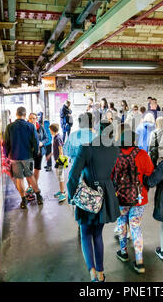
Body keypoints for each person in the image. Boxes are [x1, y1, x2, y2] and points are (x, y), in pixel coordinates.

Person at [67, 121, 120, 282]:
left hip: (88, 196)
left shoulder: (87, 148)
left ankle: (92, 271)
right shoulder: (115, 149)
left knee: (85, 233)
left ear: (97, 131)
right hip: (105, 195)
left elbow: (73, 176)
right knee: (98, 234)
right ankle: (101, 272)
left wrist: (71, 196)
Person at [112, 127, 154, 274]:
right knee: (135, 226)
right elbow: (150, 173)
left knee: (122, 223)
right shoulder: (142, 154)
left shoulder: (115, 154)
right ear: (134, 141)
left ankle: (123, 253)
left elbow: (111, 176)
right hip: (139, 198)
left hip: (120, 197)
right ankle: (140, 261)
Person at [4, 107, 43, 209]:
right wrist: (34, 154)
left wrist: (7, 155)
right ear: (25, 115)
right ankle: (38, 196)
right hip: (27, 156)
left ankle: (23, 200)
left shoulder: (9, 127)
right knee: (30, 176)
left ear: (16, 114)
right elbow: (35, 141)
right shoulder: (30, 126)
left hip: (14, 157)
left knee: (19, 179)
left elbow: (6, 143)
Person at [28, 113, 49, 186]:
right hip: (29, 152)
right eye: (30, 118)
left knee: (37, 168)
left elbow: (46, 138)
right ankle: (30, 186)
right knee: (29, 170)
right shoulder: (26, 128)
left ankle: (35, 185)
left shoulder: (40, 127)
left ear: (36, 119)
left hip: (39, 152)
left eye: (33, 118)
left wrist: (42, 143)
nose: (32, 120)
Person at [48, 123, 67, 203]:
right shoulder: (56, 137)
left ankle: (62, 193)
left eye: (50, 130)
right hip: (57, 160)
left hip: (59, 161)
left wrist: (60, 160)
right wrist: (51, 154)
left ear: (52, 130)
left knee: (61, 177)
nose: (49, 132)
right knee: (59, 177)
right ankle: (61, 190)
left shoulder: (57, 138)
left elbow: (60, 149)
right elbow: (56, 149)